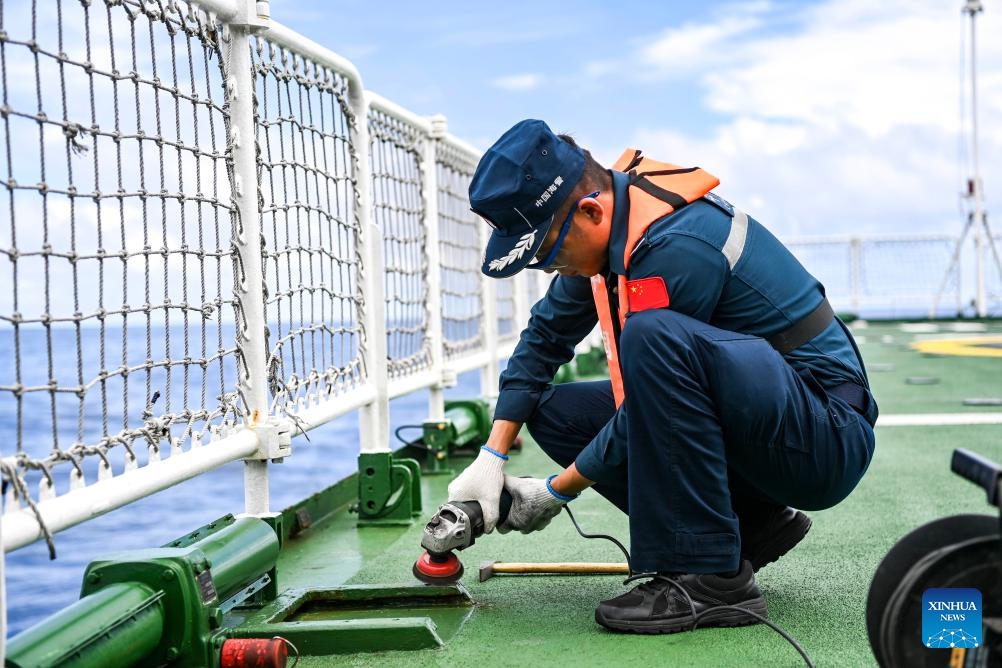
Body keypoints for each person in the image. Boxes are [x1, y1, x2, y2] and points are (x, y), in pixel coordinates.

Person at [447, 118, 877, 634]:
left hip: (824, 436)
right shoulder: (609, 238)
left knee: (652, 337)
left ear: (590, 211)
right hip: (768, 422)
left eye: (547, 253)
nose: (550, 269)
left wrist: (558, 490)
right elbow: (542, 341)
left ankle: (713, 579)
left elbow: (648, 408)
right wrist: (491, 456)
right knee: (557, 413)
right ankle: (750, 527)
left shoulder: (678, 246)